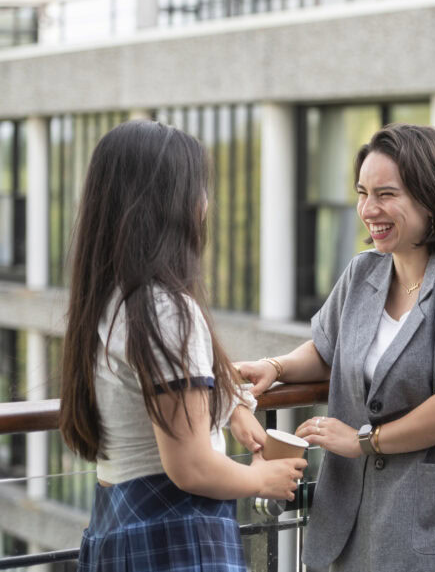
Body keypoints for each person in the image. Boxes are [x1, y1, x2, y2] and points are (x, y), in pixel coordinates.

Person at [237, 123, 435, 572]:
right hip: (359, 528)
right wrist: (275, 367)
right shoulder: (364, 273)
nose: (368, 209)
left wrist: (363, 440)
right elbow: (328, 349)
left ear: (432, 199)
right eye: (362, 193)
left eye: (386, 194)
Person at [58, 121, 307, 572]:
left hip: (119, 527)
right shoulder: (166, 309)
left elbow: (152, 394)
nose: (205, 203)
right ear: (169, 204)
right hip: (176, 537)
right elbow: (191, 467)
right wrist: (260, 479)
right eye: (198, 189)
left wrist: (228, 404)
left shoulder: (112, 299)